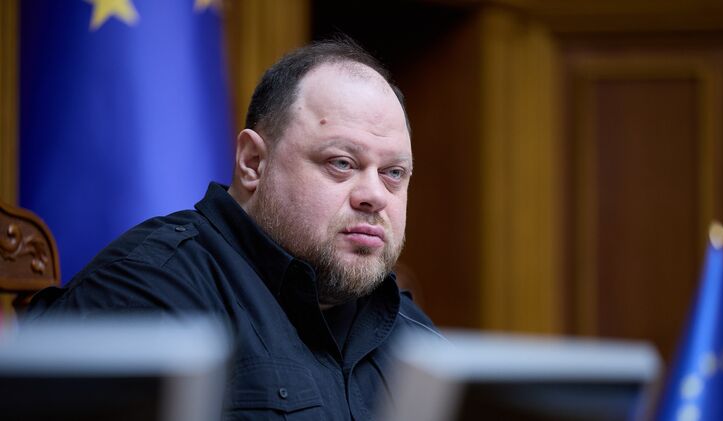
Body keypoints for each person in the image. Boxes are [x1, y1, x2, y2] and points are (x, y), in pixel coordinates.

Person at [26, 38, 442, 420]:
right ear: (253, 163)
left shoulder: (413, 334)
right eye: (342, 163)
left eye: (393, 172)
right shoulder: (145, 292)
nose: (374, 195)